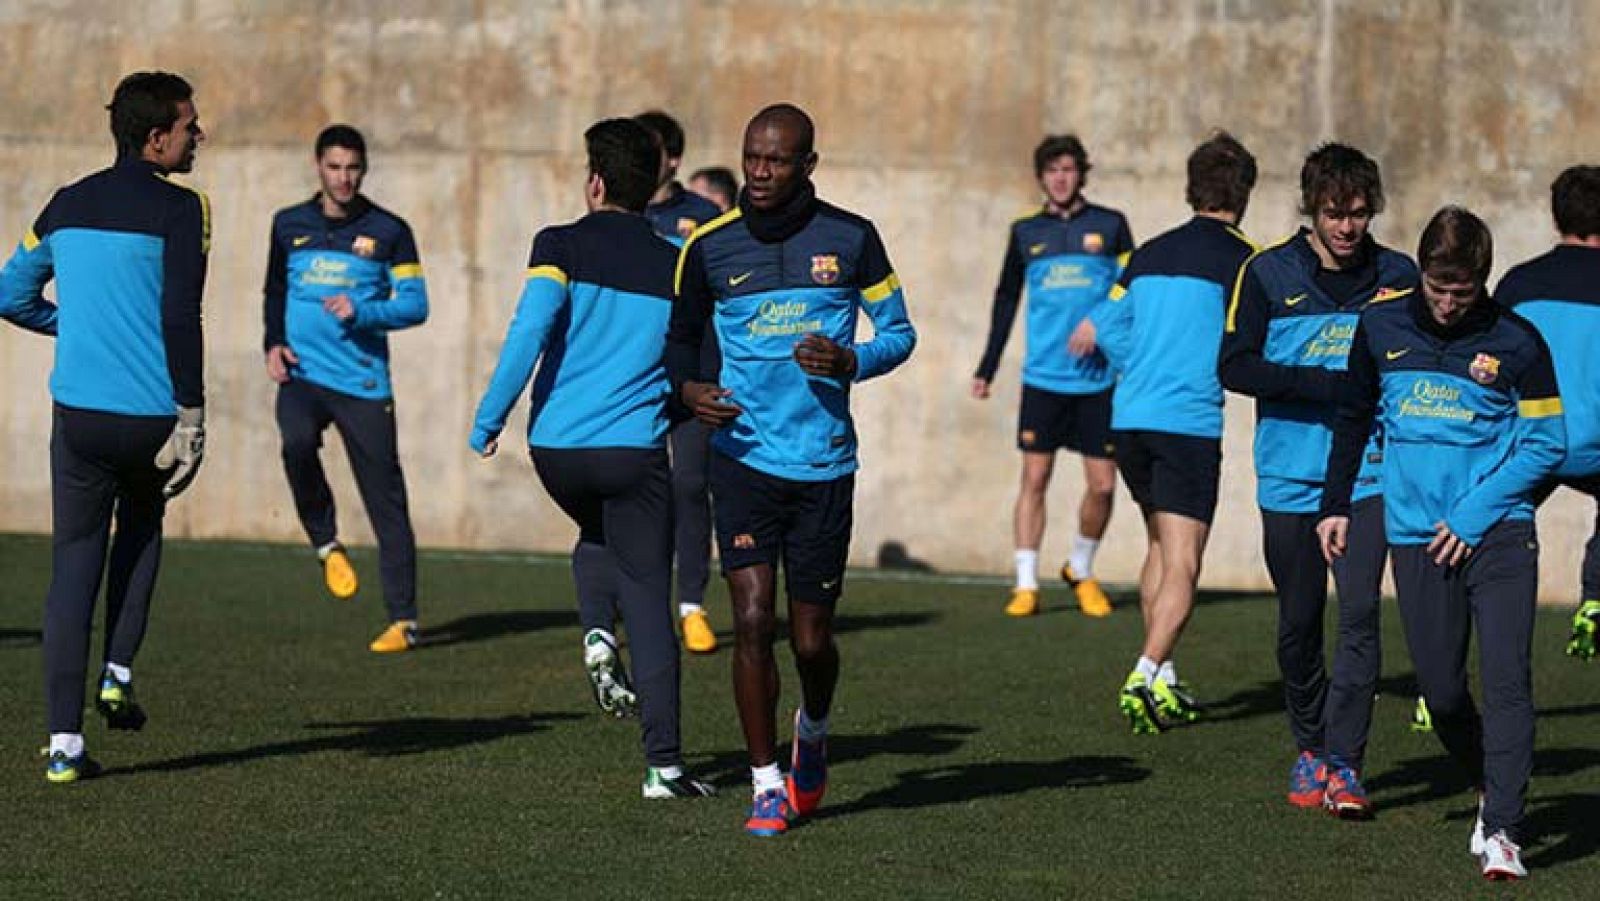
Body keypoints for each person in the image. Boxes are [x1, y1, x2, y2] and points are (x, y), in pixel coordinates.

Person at [666, 103, 916, 835]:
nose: (759, 172)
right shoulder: (708, 245)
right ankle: (766, 782)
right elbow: (678, 341)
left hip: (824, 466)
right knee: (751, 620)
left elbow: (901, 332)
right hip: (742, 460)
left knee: (810, 640)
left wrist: (852, 360)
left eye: (776, 160)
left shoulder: (853, 238)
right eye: (752, 157)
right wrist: (688, 391)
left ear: (808, 165)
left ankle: (814, 728)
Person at [470, 118, 714, 800]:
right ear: (653, 185)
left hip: (555, 452)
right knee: (649, 598)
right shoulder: (677, 261)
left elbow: (529, 330)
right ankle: (665, 767)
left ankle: (597, 635)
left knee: (596, 530)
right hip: (631, 454)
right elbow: (695, 360)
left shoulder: (558, 244)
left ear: (596, 182)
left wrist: (489, 418)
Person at [1320, 207, 1562, 880]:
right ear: (1420, 274)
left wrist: (1473, 513)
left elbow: (1548, 441)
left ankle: (1505, 830)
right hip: (1419, 537)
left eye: (1463, 291)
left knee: (1508, 678)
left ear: (1483, 280)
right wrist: (1334, 504)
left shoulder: (1518, 340)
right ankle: (1490, 781)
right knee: (1443, 691)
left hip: (1500, 531)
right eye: (1438, 289)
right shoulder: (1379, 325)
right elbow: (1352, 416)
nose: (1450, 304)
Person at [0, 71, 209, 782]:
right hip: (150, 419)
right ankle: (117, 672)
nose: (198, 135)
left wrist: (76, 327)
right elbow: (181, 315)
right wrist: (193, 413)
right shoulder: (185, 209)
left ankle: (64, 747)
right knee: (142, 530)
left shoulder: (66, 202)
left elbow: (10, 295)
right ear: (156, 138)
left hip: (81, 420)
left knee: (72, 567)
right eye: (189, 126)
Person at [1219, 143, 1418, 815]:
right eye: (1335, 213)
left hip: (1368, 474)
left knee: (1359, 614)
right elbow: (1235, 366)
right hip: (1290, 475)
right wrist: (1329, 385)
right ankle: (1311, 745)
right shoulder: (1265, 272)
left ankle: (1346, 761)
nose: (1347, 227)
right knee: (1299, 622)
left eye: (1359, 213)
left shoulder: (1399, 274)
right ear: (1311, 209)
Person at [1068, 132, 1257, 734]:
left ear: (1190, 188)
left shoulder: (1147, 253)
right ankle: (1144, 671)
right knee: (1184, 560)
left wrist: (1143, 364)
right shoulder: (1247, 261)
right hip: (1186, 426)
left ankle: (1165, 679)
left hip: (1131, 418)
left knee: (1156, 546)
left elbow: (1103, 325)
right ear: (1244, 194)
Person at [262, 125, 429, 653]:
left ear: (365, 169)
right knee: (295, 443)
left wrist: (364, 310)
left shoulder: (390, 230)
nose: (344, 178)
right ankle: (326, 542)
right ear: (318, 166)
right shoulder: (288, 224)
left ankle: (404, 620)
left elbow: (416, 305)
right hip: (303, 375)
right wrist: (273, 343)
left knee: (386, 501)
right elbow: (274, 290)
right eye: (334, 167)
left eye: (353, 167)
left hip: (362, 383)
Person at [973, 135, 1132, 618]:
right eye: (1052, 170)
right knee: (1035, 477)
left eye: (1068, 169)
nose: (1060, 178)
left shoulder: (1111, 225)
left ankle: (1080, 568)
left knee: (1103, 485)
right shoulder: (1026, 231)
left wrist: (1100, 323)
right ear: (1041, 177)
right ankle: (1026, 583)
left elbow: (1133, 286)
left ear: (1082, 173)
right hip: (1043, 379)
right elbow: (1006, 298)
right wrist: (988, 366)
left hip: (1098, 380)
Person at [1496, 165, 1600, 661]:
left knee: (1489, 530)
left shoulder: (1518, 284)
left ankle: (1443, 666)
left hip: (1530, 444)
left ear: (1556, 217)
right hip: (1595, 446)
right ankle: (1596, 598)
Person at [636, 110, 724, 654]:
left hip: (694, 372)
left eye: (651, 151)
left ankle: (692, 605)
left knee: (690, 485)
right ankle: (632, 602)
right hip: (635, 374)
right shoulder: (620, 215)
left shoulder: (706, 216)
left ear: (672, 159)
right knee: (635, 489)